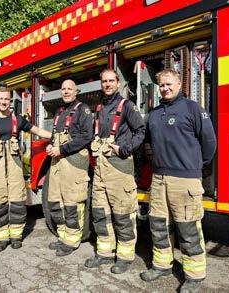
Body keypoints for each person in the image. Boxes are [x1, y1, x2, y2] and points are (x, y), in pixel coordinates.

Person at [140, 69, 216, 293]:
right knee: (159, 224)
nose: (165, 88)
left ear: (179, 84)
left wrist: (194, 165)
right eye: (161, 85)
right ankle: (162, 265)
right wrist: (154, 159)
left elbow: (209, 142)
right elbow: (147, 142)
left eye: (169, 84)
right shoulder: (154, 113)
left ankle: (194, 275)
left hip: (185, 179)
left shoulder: (193, 108)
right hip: (159, 178)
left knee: (188, 227)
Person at [0, 84, 51, 252]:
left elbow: (36, 130)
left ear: (11, 100)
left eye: (7, 99)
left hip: (15, 167)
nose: (4, 102)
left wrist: (55, 136)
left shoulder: (17, 119)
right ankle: (2, 238)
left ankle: (16, 236)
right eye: (0, 99)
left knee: (17, 202)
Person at [84, 69, 145, 274]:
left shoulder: (126, 106)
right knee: (100, 212)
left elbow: (141, 131)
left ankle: (125, 257)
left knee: (122, 214)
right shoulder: (100, 106)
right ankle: (104, 253)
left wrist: (126, 148)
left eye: (111, 81)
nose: (108, 84)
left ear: (118, 83)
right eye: (104, 81)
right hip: (101, 168)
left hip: (120, 167)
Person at [46, 79, 93, 257]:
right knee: (55, 201)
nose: (66, 92)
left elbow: (86, 136)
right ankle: (63, 236)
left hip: (73, 162)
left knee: (72, 202)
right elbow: (54, 136)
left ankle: (72, 240)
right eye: (63, 89)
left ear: (76, 91)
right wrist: (51, 146)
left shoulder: (83, 110)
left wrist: (61, 149)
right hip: (57, 162)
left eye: (69, 89)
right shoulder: (60, 112)